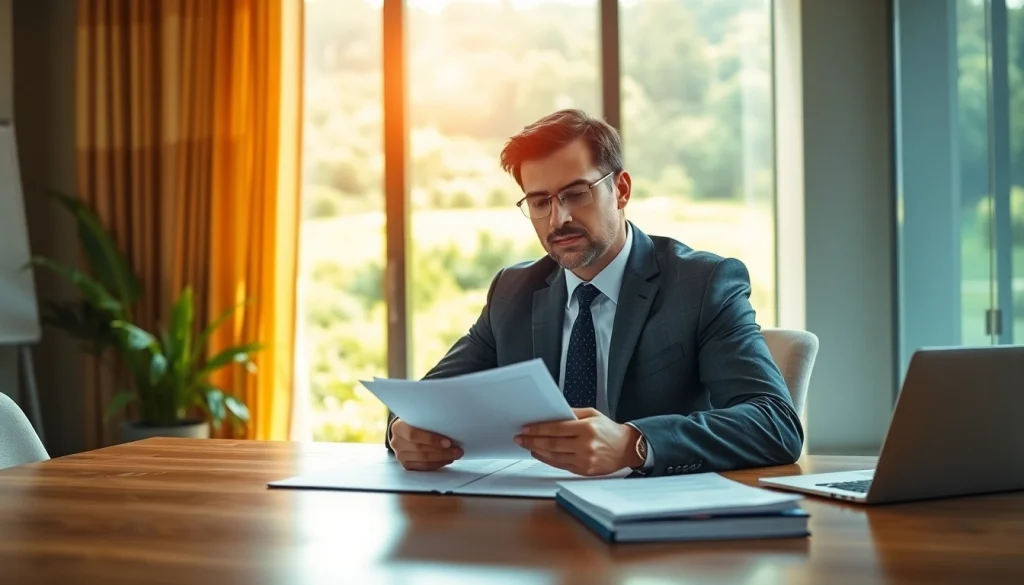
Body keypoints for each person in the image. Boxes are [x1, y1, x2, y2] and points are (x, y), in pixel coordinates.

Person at [387, 109, 804, 477]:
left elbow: (775, 425)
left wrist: (632, 444)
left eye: (575, 194)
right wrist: (401, 432)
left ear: (620, 189)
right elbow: (424, 401)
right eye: (539, 201)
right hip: (538, 525)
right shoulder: (512, 292)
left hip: (664, 531)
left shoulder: (702, 284)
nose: (558, 218)